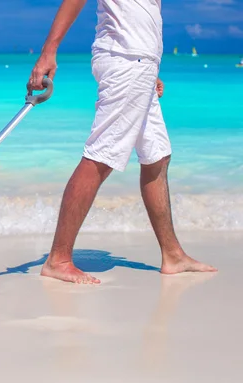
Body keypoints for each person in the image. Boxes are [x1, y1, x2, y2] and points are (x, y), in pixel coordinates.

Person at [27, 0, 217, 284]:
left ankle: (173, 255)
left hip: (140, 65)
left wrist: (149, 71)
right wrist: (48, 52)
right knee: (101, 156)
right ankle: (58, 259)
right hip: (127, 62)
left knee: (157, 156)